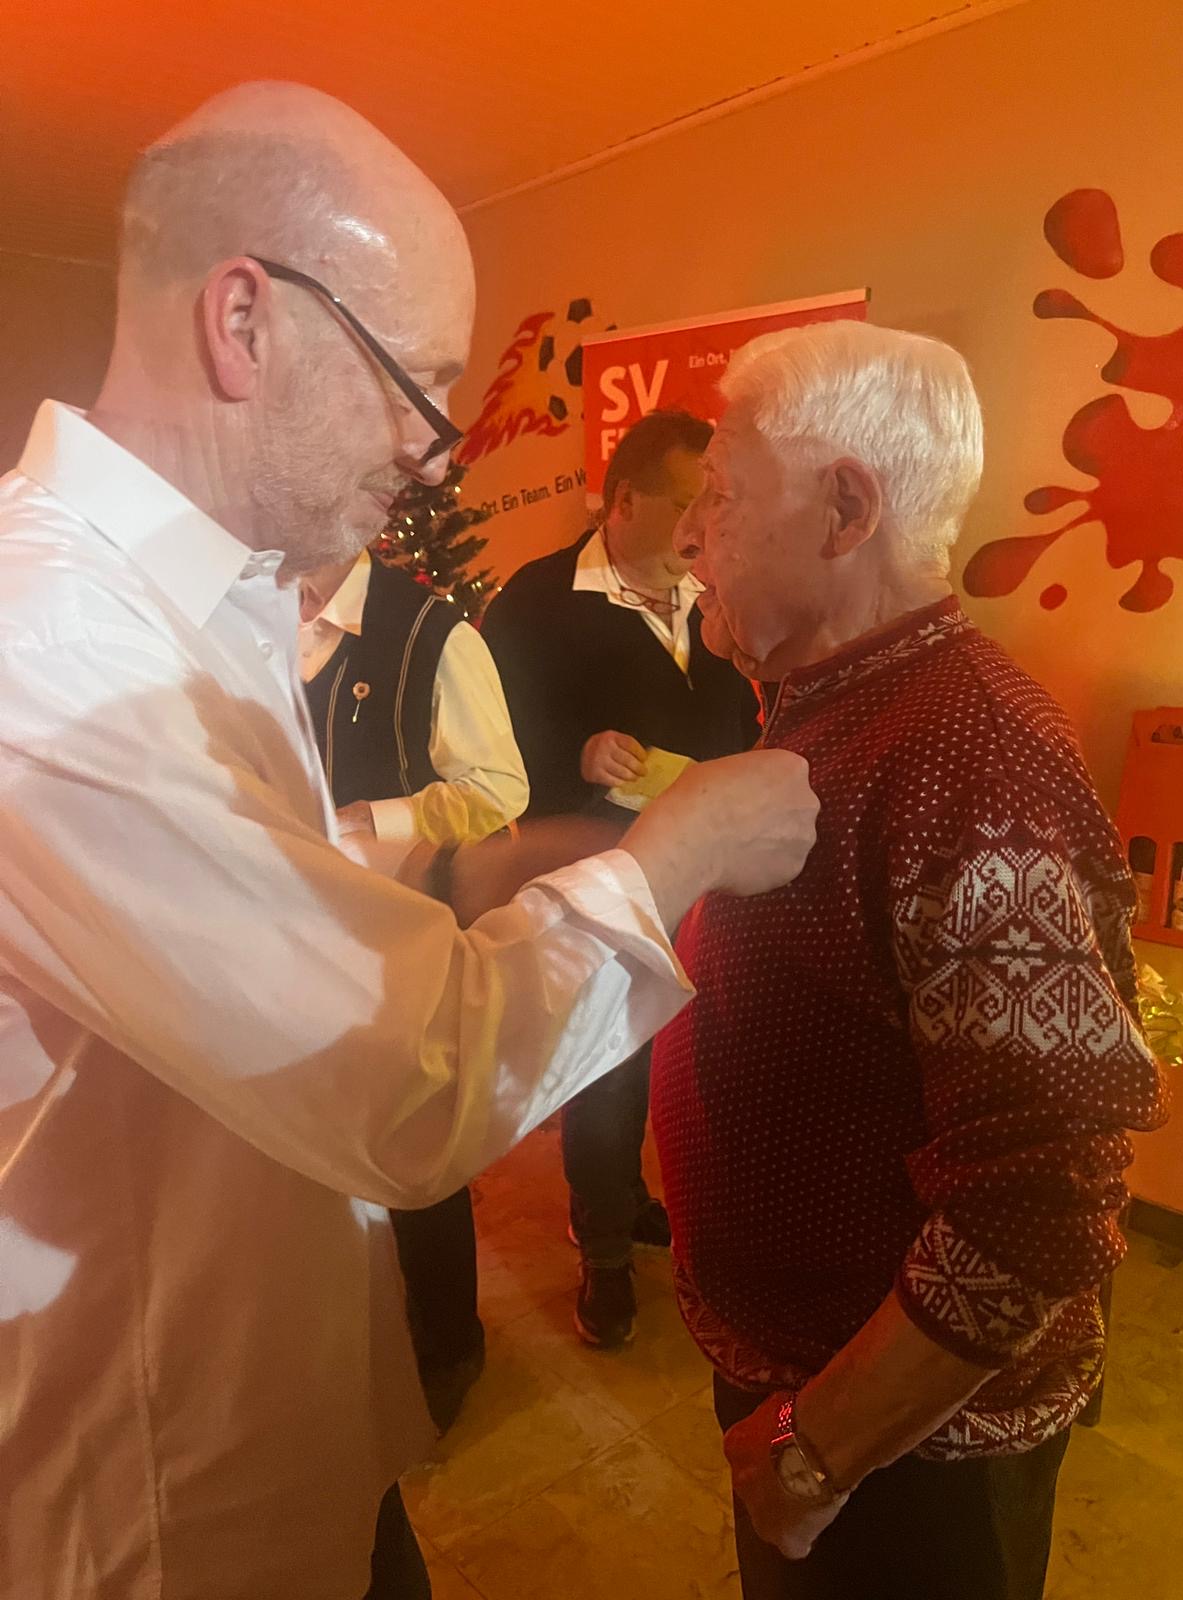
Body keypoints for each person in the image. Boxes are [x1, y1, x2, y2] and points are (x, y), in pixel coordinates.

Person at [0, 84, 820, 1600]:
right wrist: (677, 851)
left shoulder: (210, 599)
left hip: (287, 1409)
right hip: (169, 1493)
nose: (441, 456)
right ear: (243, 321)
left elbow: (242, 896)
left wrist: (460, 866)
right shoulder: (48, 648)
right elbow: (408, 1082)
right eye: (416, 385)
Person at [651, 320, 1170, 1600]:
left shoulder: (969, 752)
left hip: (902, 1444)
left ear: (845, 510)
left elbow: (1041, 1191)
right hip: (808, 1378)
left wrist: (817, 1449)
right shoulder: (836, 703)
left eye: (720, 493)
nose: (689, 536)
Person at [484, 410, 761, 1350]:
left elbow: (741, 715)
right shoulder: (535, 602)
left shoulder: (714, 588)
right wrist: (577, 753)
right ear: (625, 500)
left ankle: (639, 1199)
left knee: (688, 1051)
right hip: (602, 869)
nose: (701, 524)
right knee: (609, 1058)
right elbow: (493, 750)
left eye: (712, 502)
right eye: (686, 502)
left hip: (714, 863)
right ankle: (602, 1246)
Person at [299, 548, 530, 1432]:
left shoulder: (431, 631)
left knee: (410, 1140)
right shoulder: (246, 617)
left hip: (391, 943)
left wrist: (376, 818)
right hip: (289, 939)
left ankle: (449, 1340)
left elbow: (501, 791)